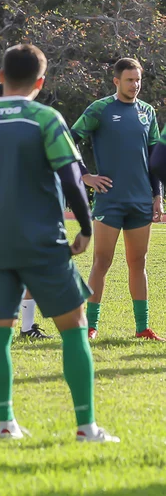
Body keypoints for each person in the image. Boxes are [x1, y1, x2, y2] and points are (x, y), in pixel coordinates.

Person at [0, 43, 119, 443]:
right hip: (44, 242)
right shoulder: (45, 119)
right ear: (41, 81)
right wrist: (85, 227)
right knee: (74, 328)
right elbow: (70, 178)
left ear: (0, 77)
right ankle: (86, 426)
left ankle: (5, 424)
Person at [71, 58, 163, 341]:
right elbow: (67, 139)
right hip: (110, 200)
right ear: (116, 81)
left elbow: (155, 159)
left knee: (139, 262)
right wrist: (85, 175)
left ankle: (142, 328)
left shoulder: (148, 112)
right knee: (102, 262)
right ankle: (90, 326)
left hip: (141, 201)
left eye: (138, 80)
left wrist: (157, 195)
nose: (135, 85)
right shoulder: (100, 109)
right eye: (129, 80)